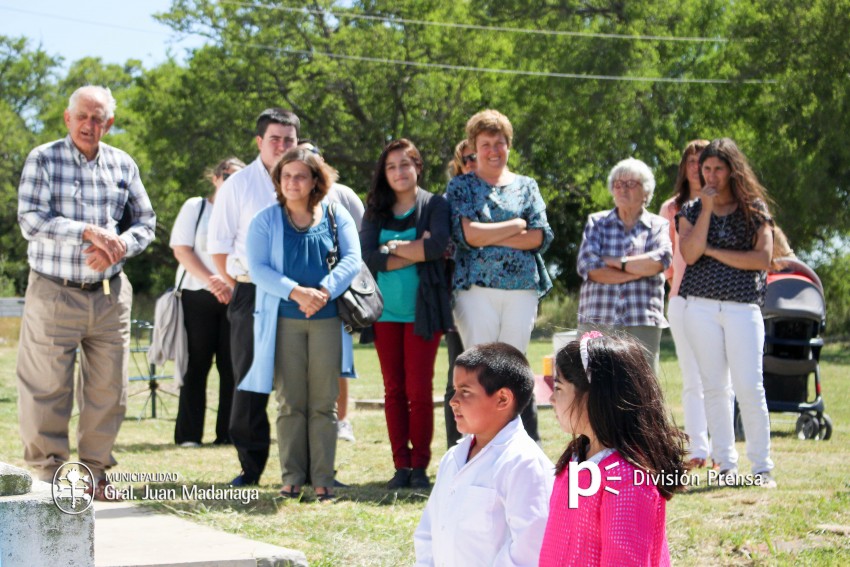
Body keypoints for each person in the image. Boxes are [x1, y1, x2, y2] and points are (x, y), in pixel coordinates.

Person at [16, 85, 156, 498]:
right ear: (68, 118)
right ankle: (50, 473)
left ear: (108, 123)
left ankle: (94, 472)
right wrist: (88, 234)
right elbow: (31, 220)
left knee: (108, 389)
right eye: (83, 117)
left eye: (98, 119)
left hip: (111, 294)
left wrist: (118, 246)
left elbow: (145, 223)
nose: (90, 125)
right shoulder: (43, 158)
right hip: (54, 290)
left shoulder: (122, 164)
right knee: (46, 387)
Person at [240, 148, 360, 501]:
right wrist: (296, 292)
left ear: (315, 181)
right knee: (290, 401)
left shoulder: (337, 215)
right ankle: (292, 476)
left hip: (327, 320)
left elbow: (353, 259)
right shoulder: (265, 220)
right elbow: (258, 268)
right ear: (278, 181)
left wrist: (324, 291)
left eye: (301, 176)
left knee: (324, 402)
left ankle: (323, 477)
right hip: (282, 322)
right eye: (286, 176)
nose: (293, 182)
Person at [446, 109, 553, 442]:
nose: (493, 150)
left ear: (509, 146)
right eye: (485, 143)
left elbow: (539, 236)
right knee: (478, 373)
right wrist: (514, 226)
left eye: (500, 143)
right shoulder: (461, 186)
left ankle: (511, 448)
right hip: (475, 291)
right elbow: (467, 236)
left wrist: (488, 233)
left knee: (512, 371)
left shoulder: (527, 186)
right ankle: (473, 447)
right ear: (474, 148)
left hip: (521, 291)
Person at [207, 108, 300, 486]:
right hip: (251, 291)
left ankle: (302, 467)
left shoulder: (307, 179)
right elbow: (218, 247)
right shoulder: (238, 185)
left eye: (289, 139)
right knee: (249, 380)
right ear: (259, 142)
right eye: (275, 139)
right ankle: (250, 467)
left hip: (301, 292)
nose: (282, 145)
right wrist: (243, 283)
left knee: (299, 382)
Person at [677, 138, 777, 487]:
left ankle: (762, 467)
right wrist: (705, 209)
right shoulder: (691, 210)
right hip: (699, 307)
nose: (711, 175)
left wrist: (715, 253)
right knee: (715, 387)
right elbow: (690, 254)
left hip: (742, 308)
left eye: (718, 168)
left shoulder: (754, 209)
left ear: (732, 170)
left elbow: (761, 260)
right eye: (706, 169)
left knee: (750, 386)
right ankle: (726, 466)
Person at [539, 332, 688, 566]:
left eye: (558, 388)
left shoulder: (627, 481)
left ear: (594, 396)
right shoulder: (577, 458)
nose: (551, 399)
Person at [361, 138, 453, 489]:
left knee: (418, 390)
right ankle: (401, 464)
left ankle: (420, 467)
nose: (399, 172)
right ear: (384, 174)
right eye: (391, 166)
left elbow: (437, 247)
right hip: (384, 313)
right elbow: (369, 256)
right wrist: (413, 249)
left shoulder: (435, 205)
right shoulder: (376, 210)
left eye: (405, 164)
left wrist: (393, 248)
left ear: (417, 167)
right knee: (393, 391)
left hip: (422, 313)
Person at [414, 342, 554, 566]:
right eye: (454, 390)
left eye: (465, 392)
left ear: (502, 399)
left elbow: (530, 549)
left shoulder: (524, 464)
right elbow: (429, 532)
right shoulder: (453, 458)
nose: (453, 401)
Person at [170, 157, 245, 447]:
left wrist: (228, 284)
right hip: (196, 294)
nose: (231, 181)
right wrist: (212, 280)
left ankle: (227, 434)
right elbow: (181, 249)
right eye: (226, 175)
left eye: (238, 177)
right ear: (215, 177)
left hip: (234, 296)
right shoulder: (196, 206)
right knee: (196, 365)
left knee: (231, 367)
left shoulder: (244, 213)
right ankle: (188, 435)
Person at [576, 158, 672, 372]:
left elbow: (661, 260)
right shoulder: (597, 223)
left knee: (641, 386)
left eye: (631, 184)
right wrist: (638, 270)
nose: (622, 189)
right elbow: (589, 268)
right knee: (592, 385)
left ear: (646, 192)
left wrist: (617, 263)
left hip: (641, 318)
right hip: (598, 317)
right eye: (618, 184)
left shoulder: (658, 225)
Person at [298, 140, 364, 444]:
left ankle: (342, 420)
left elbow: (361, 241)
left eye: (314, 157)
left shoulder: (343, 195)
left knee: (339, 359)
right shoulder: (288, 195)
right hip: (298, 291)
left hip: (336, 289)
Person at [659, 140, 714, 468]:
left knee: (721, 379)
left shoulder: (726, 203)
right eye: (691, 161)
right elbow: (665, 254)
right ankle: (697, 448)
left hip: (723, 300)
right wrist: (674, 282)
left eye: (702, 161)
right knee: (691, 375)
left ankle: (723, 448)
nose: (696, 167)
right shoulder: (672, 207)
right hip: (682, 299)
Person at [442, 138, 476, 448]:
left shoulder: (506, 191)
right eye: (468, 159)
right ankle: (457, 449)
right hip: (459, 296)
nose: (474, 163)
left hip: (500, 297)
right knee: (459, 374)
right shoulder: (447, 200)